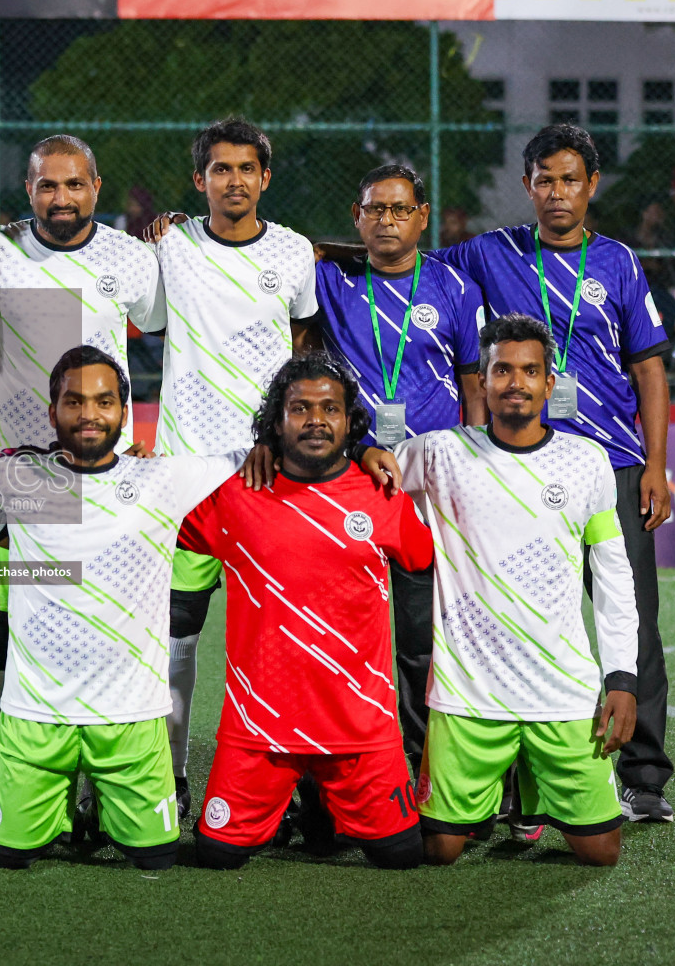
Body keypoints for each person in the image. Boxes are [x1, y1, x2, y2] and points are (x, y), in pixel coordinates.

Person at [435, 125, 675, 823]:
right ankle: (519, 781)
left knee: (635, 623)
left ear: (590, 186)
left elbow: (649, 368)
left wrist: (656, 464)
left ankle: (644, 777)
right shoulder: (491, 252)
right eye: (545, 179)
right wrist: (317, 255)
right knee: (518, 617)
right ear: (527, 186)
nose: (557, 192)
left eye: (570, 179)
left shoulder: (620, 263)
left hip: (614, 468)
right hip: (520, 468)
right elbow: (407, 264)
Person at [0, 134, 162, 825]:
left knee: (105, 626)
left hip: (107, 478)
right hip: (14, 471)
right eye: (48, 185)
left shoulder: (132, 259)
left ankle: (99, 774)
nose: (62, 198)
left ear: (97, 188)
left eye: (75, 185)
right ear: (29, 189)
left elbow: (166, 328)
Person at [0, 346, 245, 870]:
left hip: (132, 721)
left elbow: (263, 453)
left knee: (157, 861)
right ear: (52, 410)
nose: (89, 415)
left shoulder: (162, 479)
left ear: (125, 412)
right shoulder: (16, 480)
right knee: (7, 859)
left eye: (104, 402)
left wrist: (365, 451)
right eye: (74, 401)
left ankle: (103, 806)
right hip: (36, 719)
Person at [400, 314, 639, 867]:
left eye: (530, 371)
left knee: (601, 852)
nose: (516, 382)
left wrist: (622, 679)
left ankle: (531, 788)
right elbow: (369, 478)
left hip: (562, 692)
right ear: (481, 381)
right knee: (440, 850)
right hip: (468, 695)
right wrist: (367, 454)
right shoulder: (439, 453)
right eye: (502, 370)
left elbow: (612, 575)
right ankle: (509, 794)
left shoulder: (586, 461)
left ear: (549, 383)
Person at [180, 353, 432, 871]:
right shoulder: (236, 496)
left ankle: (320, 799)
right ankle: (307, 799)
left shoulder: (380, 495)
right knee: (216, 856)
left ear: (350, 421)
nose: (316, 419)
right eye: (299, 408)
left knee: (403, 856)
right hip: (260, 730)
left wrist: (367, 454)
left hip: (359, 729)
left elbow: (425, 558)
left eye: (330, 409)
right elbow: (159, 516)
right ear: (276, 422)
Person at [143, 118, 318, 819]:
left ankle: (293, 783)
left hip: (267, 475)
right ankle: (172, 774)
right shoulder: (171, 245)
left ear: (265, 178)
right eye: (220, 169)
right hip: (185, 476)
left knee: (281, 641)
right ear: (199, 180)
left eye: (247, 168)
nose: (235, 180)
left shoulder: (295, 250)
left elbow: (302, 338)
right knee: (175, 637)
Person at [311, 164, 484, 768]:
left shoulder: (455, 288)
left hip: (430, 483)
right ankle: (339, 768)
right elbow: (286, 249)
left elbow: (473, 383)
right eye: (375, 209)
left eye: (400, 209)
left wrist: (476, 460)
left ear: (423, 216)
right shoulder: (331, 281)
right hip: (353, 478)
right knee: (340, 636)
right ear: (356, 218)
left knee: (418, 639)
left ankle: (418, 762)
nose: (387, 220)